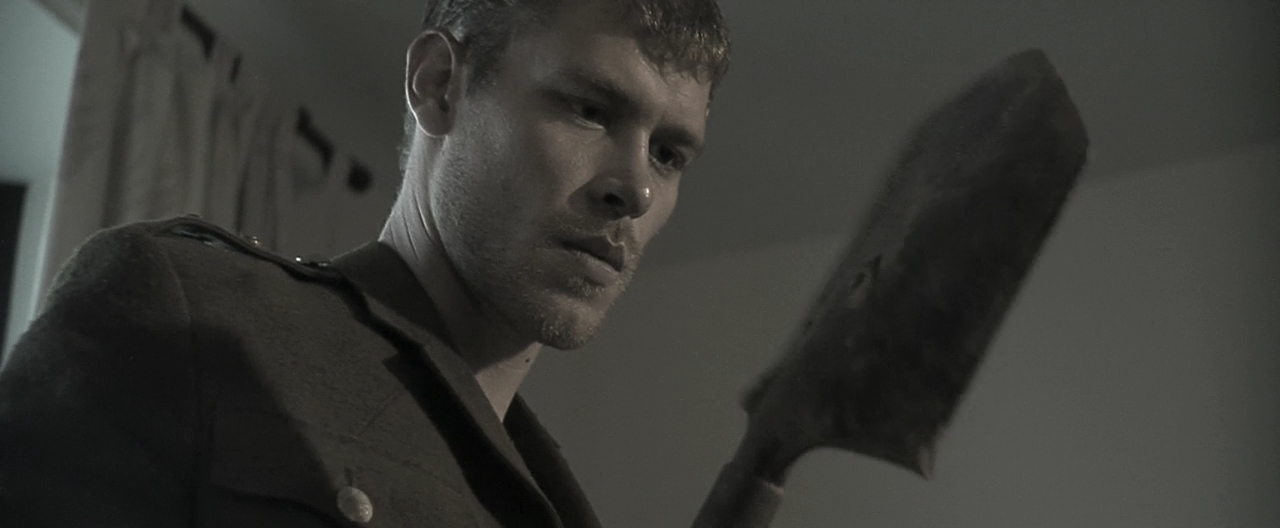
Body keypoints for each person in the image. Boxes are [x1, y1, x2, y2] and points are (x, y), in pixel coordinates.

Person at [0, 0, 784, 525]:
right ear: (439, 85)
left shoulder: (557, 504)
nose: (636, 188)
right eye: (590, 108)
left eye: (670, 153)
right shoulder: (192, 313)